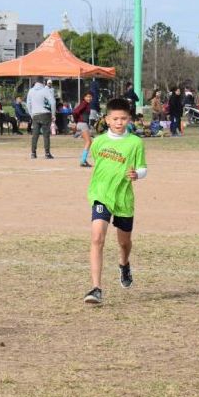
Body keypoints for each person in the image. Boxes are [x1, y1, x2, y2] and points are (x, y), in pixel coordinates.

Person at [83, 98, 148, 305]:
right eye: (115, 119)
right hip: (101, 194)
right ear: (107, 119)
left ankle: (124, 263)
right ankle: (96, 288)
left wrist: (136, 174)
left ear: (129, 119)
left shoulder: (135, 142)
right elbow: (95, 160)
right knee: (97, 238)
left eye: (123, 119)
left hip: (123, 198)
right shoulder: (99, 142)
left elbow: (143, 168)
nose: (119, 122)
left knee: (124, 242)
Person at [27, 77, 55, 158]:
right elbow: (53, 102)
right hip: (45, 114)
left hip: (35, 114)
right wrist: (53, 114)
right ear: (43, 81)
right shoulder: (45, 90)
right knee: (46, 134)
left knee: (35, 134)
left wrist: (31, 114)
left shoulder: (31, 91)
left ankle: (33, 153)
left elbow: (28, 104)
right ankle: (47, 153)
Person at [73, 91, 94, 167]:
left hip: (82, 124)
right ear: (84, 97)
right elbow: (75, 111)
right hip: (82, 124)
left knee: (89, 141)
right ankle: (83, 161)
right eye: (87, 96)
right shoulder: (84, 103)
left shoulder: (87, 104)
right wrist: (77, 121)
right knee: (88, 142)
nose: (89, 98)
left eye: (90, 97)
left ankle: (84, 160)